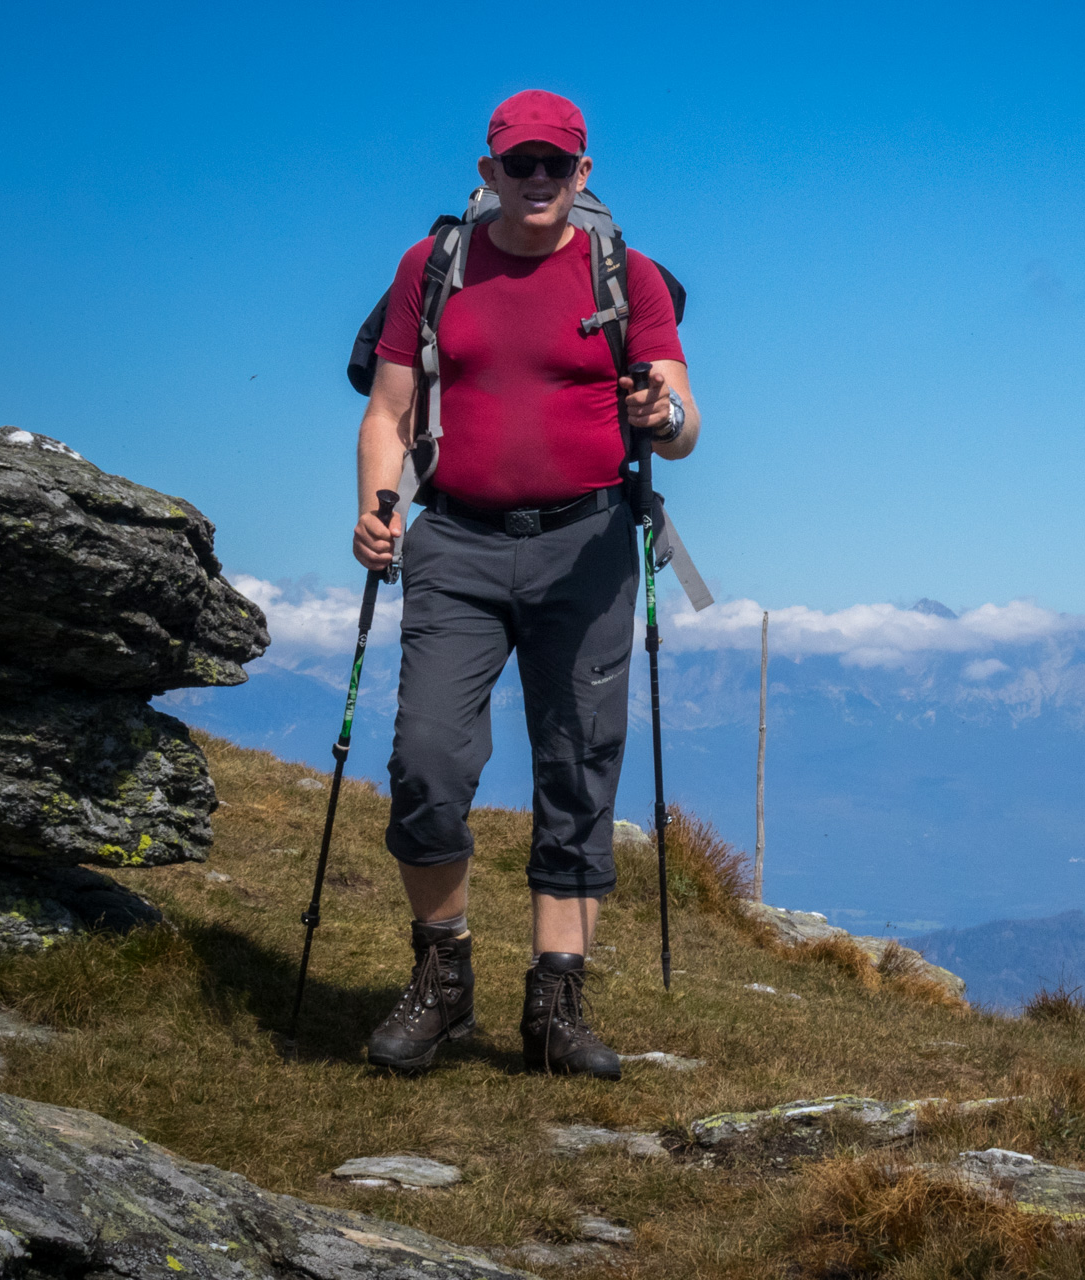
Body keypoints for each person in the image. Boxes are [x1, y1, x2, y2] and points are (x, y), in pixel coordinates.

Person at [350, 89, 699, 1076]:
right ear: (490, 170)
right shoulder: (434, 266)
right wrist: (378, 503)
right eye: (520, 164)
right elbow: (389, 408)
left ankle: (556, 1002)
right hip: (453, 539)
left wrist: (661, 413)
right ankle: (443, 977)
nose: (537, 179)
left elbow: (684, 419)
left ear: (583, 175)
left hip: (585, 543)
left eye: (556, 164)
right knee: (426, 757)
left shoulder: (623, 274)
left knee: (579, 763)